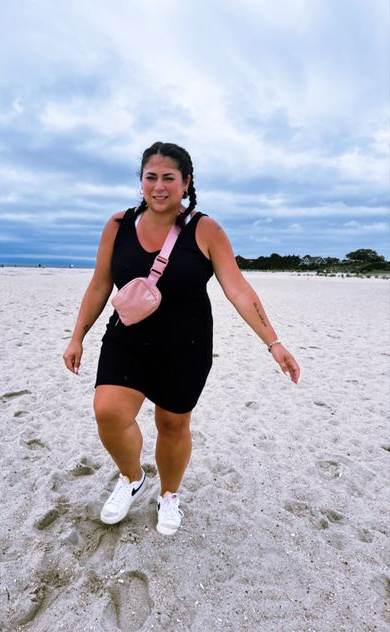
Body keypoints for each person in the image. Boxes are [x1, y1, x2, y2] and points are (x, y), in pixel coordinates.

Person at [63, 141, 300, 536]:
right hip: (127, 340)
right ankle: (131, 478)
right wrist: (77, 337)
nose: (159, 186)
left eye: (168, 178)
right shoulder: (118, 225)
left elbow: (238, 289)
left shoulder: (205, 229)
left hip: (185, 347)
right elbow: (100, 284)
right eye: (150, 177)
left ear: (186, 182)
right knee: (108, 412)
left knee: (173, 424)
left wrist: (274, 343)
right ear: (140, 181)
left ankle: (169, 495)